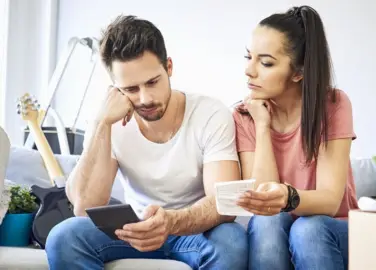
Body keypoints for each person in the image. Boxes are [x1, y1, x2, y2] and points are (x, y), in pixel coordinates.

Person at [45, 15, 248, 270]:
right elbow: (85, 207)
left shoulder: (210, 113)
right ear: (115, 88)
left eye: (152, 82)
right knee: (64, 236)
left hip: (193, 231)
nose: (145, 98)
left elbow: (225, 203)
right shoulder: (109, 121)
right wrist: (101, 123)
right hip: (133, 231)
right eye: (131, 89)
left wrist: (171, 222)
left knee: (232, 240)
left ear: (169, 67)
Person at [233, 5, 358, 270]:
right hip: (279, 228)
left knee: (307, 229)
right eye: (248, 57)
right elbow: (262, 202)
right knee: (268, 221)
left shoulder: (332, 104)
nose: (249, 70)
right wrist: (263, 126)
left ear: (298, 72)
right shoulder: (246, 115)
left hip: (334, 230)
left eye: (265, 62)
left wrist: (288, 196)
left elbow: (329, 200)